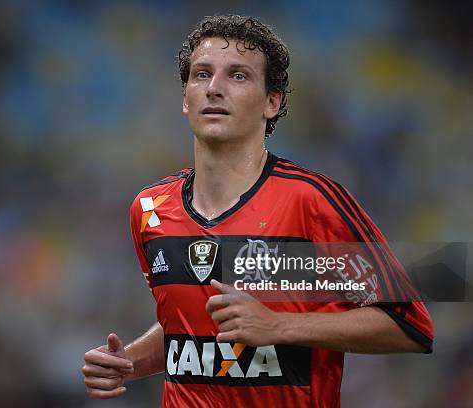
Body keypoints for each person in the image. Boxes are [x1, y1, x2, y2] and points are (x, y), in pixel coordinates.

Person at [82, 14, 433, 407]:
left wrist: (278, 325)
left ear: (272, 102)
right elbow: (188, 327)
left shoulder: (311, 201)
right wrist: (129, 361)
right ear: (185, 99)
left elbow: (410, 326)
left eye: (238, 76)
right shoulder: (149, 209)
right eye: (201, 75)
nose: (214, 88)